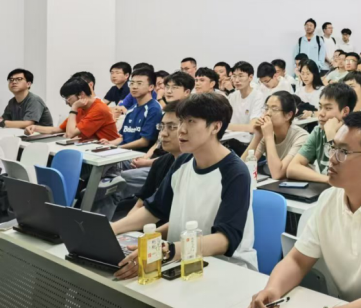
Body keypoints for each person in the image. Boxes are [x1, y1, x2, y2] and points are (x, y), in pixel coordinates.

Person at [250, 113, 361, 308]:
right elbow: (297, 261)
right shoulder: (328, 199)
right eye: (333, 147)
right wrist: (273, 290)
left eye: (343, 151)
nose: (331, 159)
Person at [112, 93, 257, 276]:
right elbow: (154, 210)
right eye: (181, 122)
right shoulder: (183, 161)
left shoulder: (235, 172)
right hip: (180, 260)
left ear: (215, 127)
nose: (181, 130)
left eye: (191, 122)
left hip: (225, 268)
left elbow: (224, 240)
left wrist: (169, 250)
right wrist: (112, 229)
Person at [288, 83, 357, 182]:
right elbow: (292, 169)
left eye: (328, 108)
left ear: (345, 111)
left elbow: (346, 177)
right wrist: (328, 180)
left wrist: (331, 136)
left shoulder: (356, 135)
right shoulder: (319, 131)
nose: (321, 113)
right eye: (320, 107)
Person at [127, 101, 184, 215]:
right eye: (162, 127)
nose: (163, 133)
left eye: (171, 127)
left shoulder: (195, 166)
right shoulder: (160, 163)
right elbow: (140, 205)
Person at [24, 76, 118, 141]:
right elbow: (58, 129)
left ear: (81, 94)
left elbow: (70, 134)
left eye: (68, 98)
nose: (66, 102)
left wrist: (74, 108)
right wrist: (35, 128)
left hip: (108, 154)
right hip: (91, 149)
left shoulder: (99, 109)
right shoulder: (81, 107)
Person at [245, 92, 309, 180]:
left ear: (288, 115)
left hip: (302, 185)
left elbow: (278, 174)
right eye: (266, 108)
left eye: (274, 109)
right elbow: (242, 167)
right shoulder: (267, 134)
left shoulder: (302, 137)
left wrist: (268, 136)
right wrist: (258, 136)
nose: (267, 113)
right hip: (279, 185)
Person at [101, 68, 161, 153]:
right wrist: (109, 143)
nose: (134, 87)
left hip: (138, 154)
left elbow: (144, 142)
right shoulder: (131, 109)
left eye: (139, 83)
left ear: (151, 87)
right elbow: (123, 138)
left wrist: (118, 148)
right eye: (132, 83)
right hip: (124, 151)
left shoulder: (154, 108)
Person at [224, 62, 266, 153]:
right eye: (234, 76)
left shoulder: (258, 96)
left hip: (248, 143)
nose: (236, 80)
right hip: (231, 139)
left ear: (250, 77)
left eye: (241, 76)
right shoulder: (233, 96)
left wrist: (226, 126)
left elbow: (252, 127)